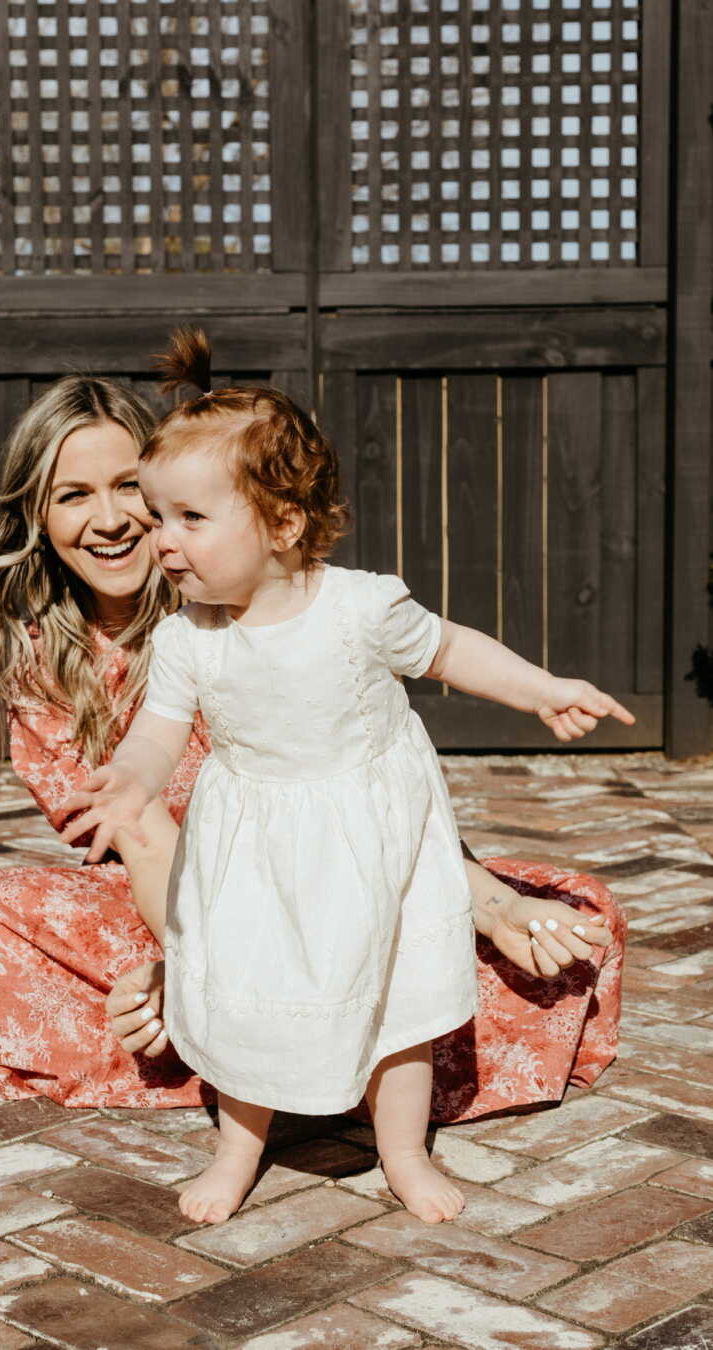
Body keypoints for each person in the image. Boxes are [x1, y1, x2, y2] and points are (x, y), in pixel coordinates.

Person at [0, 373, 623, 1178]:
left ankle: (307, 1065)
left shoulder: (272, 605)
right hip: (186, 903)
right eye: (73, 495)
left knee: (568, 920)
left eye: (131, 490)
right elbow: (142, 837)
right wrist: (182, 964)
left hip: (344, 882)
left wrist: (491, 904)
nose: (113, 520)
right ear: (38, 514)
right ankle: (264, 1058)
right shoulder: (56, 662)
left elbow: (377, 807)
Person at [63, 330, 633, 1227]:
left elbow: (454, 650)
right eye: (156, 514)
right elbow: (157, 732)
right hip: (252, 845)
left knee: (398, 994)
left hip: (371, 837)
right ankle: (238, 1146)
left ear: (283, 523)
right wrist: (130, 781)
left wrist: (542, 691)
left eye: (189, 519)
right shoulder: (187, 636)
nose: (159, 540)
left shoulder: (361, 608)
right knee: (244, 983)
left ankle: (401, 1151)